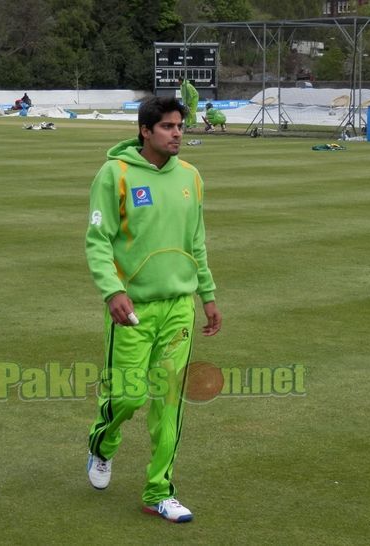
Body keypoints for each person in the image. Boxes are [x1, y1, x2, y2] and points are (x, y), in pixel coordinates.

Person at [85, 96, 222, 523]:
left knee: (169, 401)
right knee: (127, 397)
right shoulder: (116, 175)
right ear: (145, 131)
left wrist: (208, 295)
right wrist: (112, 291)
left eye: (180, 125)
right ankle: (102, 445)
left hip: (179, 308)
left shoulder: (191, 177)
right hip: (133, 310)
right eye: (167, 126)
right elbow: (98, 240)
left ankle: (159, 490)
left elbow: (195, 242)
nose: (177, 133)